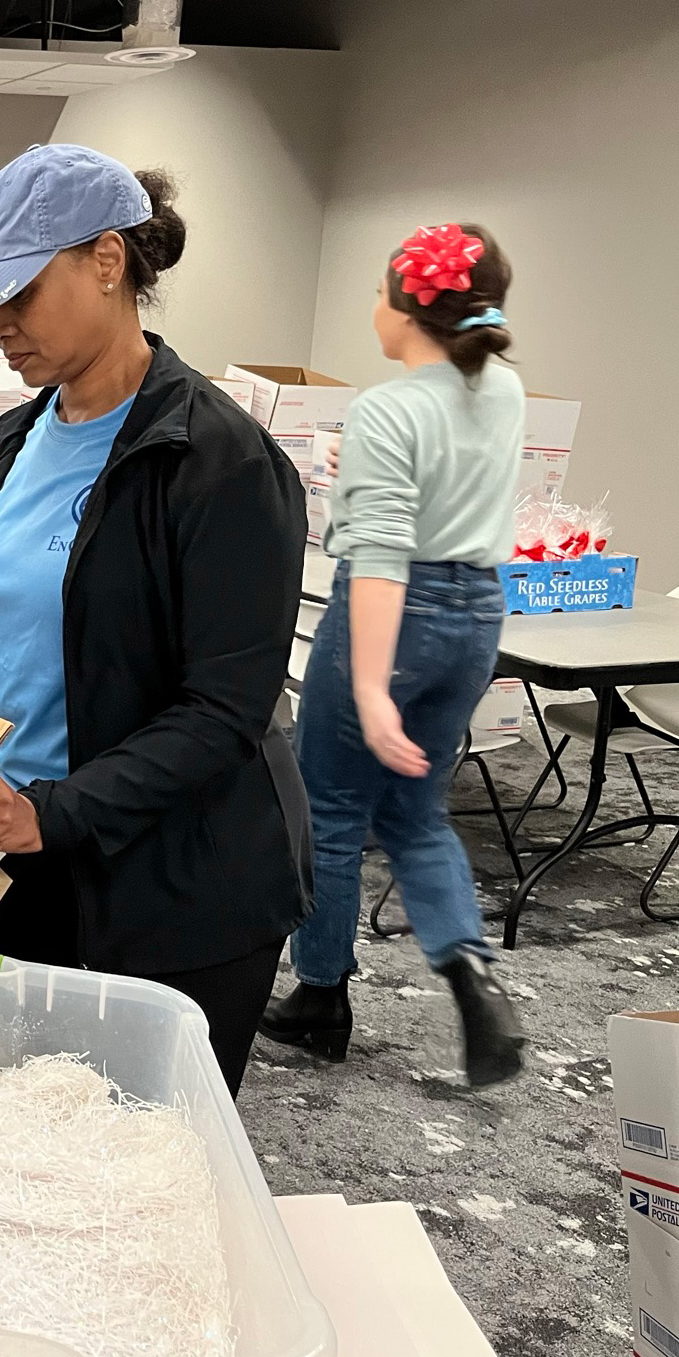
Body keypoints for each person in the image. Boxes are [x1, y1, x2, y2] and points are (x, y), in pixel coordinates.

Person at [0, 145, 310, 1098]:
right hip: (30, 862)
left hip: (178, 888)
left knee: (146, 1154)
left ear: (109, 261)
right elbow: (5, 658)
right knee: (27, 1133)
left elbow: (223, 711)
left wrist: (54, 810)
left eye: (21, 295)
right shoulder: (14, 442)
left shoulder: (217, 462)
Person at [260, 224, 526, 1088]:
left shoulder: (386, 407)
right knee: (416, 813)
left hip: (397, 618)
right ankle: (473, 975)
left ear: (407, 306)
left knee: (332, 807)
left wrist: (371, 688)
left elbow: (378, 555)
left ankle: (320, 998)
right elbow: (449, 477)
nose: (371, 309)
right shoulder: (504, 390)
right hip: (476, 616)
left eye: (378, 292)